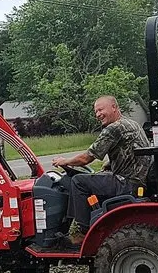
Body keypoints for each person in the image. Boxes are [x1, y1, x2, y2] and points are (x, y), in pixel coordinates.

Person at [52, 96, 152, 244]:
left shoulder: (114, 128)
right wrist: (109, 164)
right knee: (95, 177)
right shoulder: (131, 124)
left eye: (101, 109)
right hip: (137, 180)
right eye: (96, 111)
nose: (98, 114)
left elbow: (86, 158)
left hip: (127, 182)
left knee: (78, 181)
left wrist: (64, 161)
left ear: (114, 107)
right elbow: (129, 152)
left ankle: (83, 232)